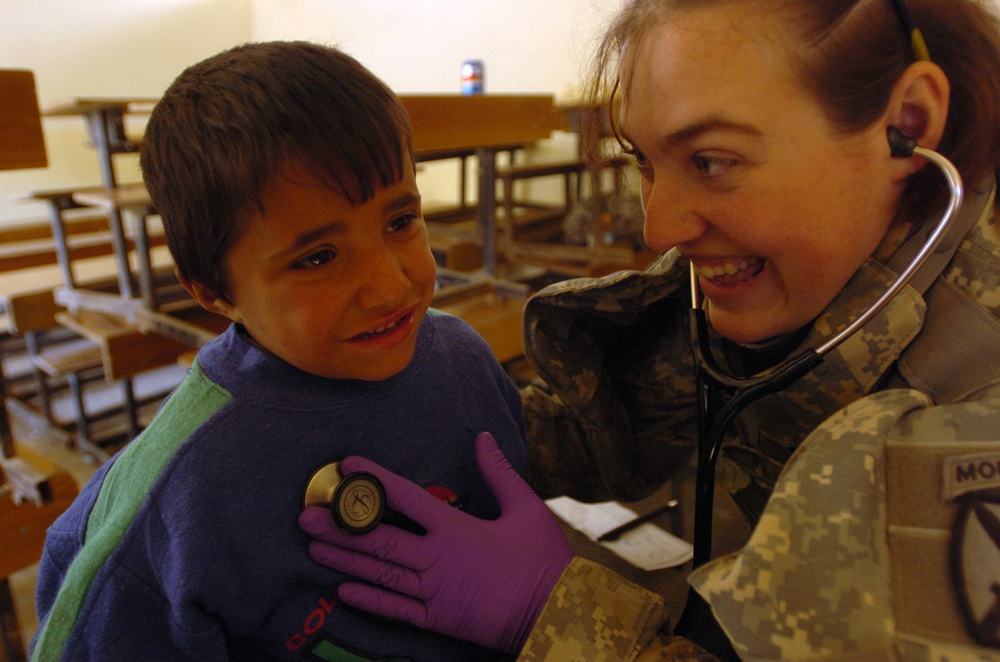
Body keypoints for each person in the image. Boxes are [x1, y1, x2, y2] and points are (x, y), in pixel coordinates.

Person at [298, 0, 1000, 659]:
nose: (658, 226)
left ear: (907, 122)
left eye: (713, 162)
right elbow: (631, 414)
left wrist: (551, 612)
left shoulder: (971, 421)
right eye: (643, 159)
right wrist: (440, 422)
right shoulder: (813, 277)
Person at [29, 41, 540, 662]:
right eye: (318, 258)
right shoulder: (181, 495)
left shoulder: (460, 358)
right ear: (214, 291)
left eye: (400, 220)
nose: (391, 286)